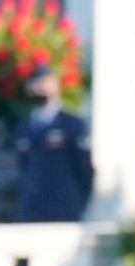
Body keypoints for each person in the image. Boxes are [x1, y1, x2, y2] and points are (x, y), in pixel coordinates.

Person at [13, 63, 93, 223]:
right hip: (32, 211)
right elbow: (24, 167)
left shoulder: (72, 125)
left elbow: (84, 169)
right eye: (34, 83)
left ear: (55, 84)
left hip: (64, 210)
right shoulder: (24, 127)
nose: (39, 87)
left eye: (44, 81)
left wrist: (80, 202)